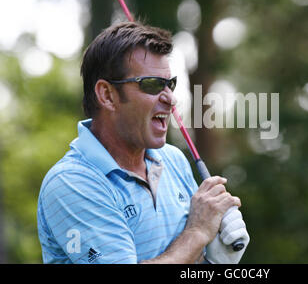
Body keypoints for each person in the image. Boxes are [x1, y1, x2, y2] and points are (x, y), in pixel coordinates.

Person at [37, 21, 249, 264]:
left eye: (170, 84)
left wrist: (214, 260)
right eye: (152, 85)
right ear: (107, 95)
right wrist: (197, 233)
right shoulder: (71, 182)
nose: (170, 99)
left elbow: (191, 259)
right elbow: (192, 240)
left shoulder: (174, 160)